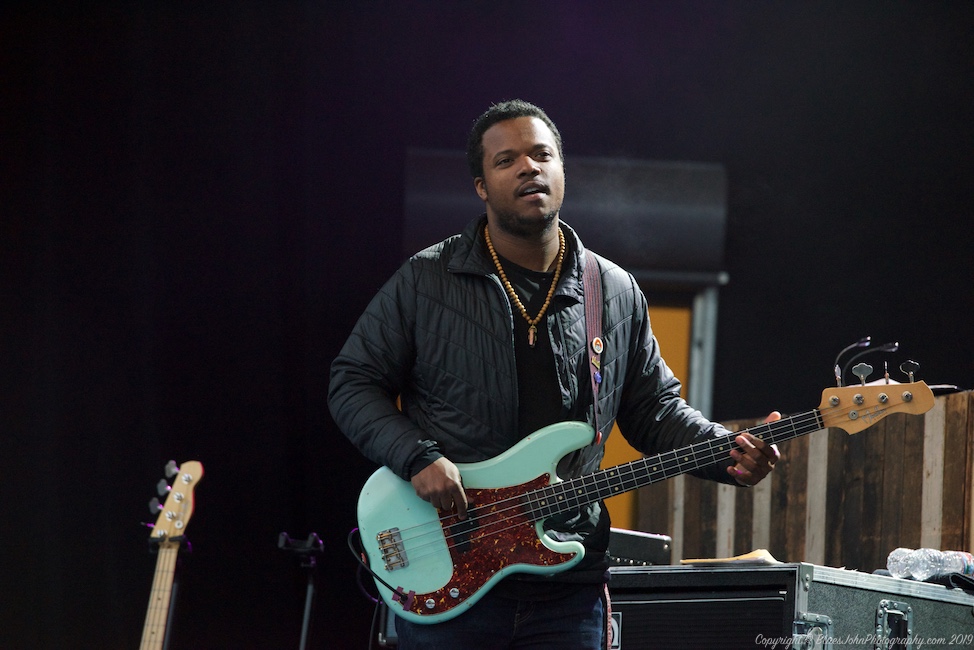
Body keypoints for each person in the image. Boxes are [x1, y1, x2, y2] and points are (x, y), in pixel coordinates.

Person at [328, 99, 780, 649]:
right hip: (452, 570)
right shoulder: (427, 280)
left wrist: (728, 452)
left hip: (568, 588)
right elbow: (352, 381)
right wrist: (416, 456)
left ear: (562, 171)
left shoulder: (612, 291)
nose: (528, 167)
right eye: (507, 160)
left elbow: (655, 412)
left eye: (542, 155)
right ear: (481, 186)